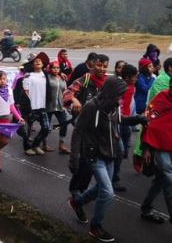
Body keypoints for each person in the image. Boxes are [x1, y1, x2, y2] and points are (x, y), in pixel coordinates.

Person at [68, 76, 130, 242]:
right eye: (119, 95)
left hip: (110, 155)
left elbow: (117, 123)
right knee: (108, 193)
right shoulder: (91, 107)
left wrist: (138, 119)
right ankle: (96, 227)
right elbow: (78, 131)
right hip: (94, 155)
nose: (121, 98)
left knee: (101, 188)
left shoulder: (115, 106)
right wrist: (74, 157)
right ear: (110, 92)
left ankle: (78, 202)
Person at [64, 54, 109, 198]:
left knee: (93, 164)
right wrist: (74, 99)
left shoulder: (109, 82)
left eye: (105, 66)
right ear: (92, 65)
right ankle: (75, 191)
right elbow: (67, 92)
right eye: (99, 65)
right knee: (83, 162)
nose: (101, 69)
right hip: (84, 128)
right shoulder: (85, 79)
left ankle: (82, 190)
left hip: (101, 130)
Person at [140, 77, 172, 224]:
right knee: (169, 180)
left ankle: (146, 208)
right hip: (158, 146)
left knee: (160, 180)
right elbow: (149, 123)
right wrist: (146, 148)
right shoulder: (161, 98)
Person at [112, 64, 138, 193]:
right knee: (119, 150)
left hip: (125, 120)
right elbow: (115, 106)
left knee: (127, 135)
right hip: (116, 120)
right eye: (134, 77)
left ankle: (119, 154)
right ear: (127, 77)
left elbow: (130, 102)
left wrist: (133, 116)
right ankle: (113, 179)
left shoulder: (132, 86)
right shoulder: (119, 87)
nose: (136, 79)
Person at [46, 61, 70, 154]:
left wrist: (66, 104)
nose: (55, 70)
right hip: (48, 106)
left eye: (57, 68)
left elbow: (65, 92)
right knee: (46, 127)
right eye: (53, 68)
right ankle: (45, 144)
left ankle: (61, 145)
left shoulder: (63, 78)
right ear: (50, 68)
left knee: (64, 124)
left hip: (60, 106)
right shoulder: (46, 78)